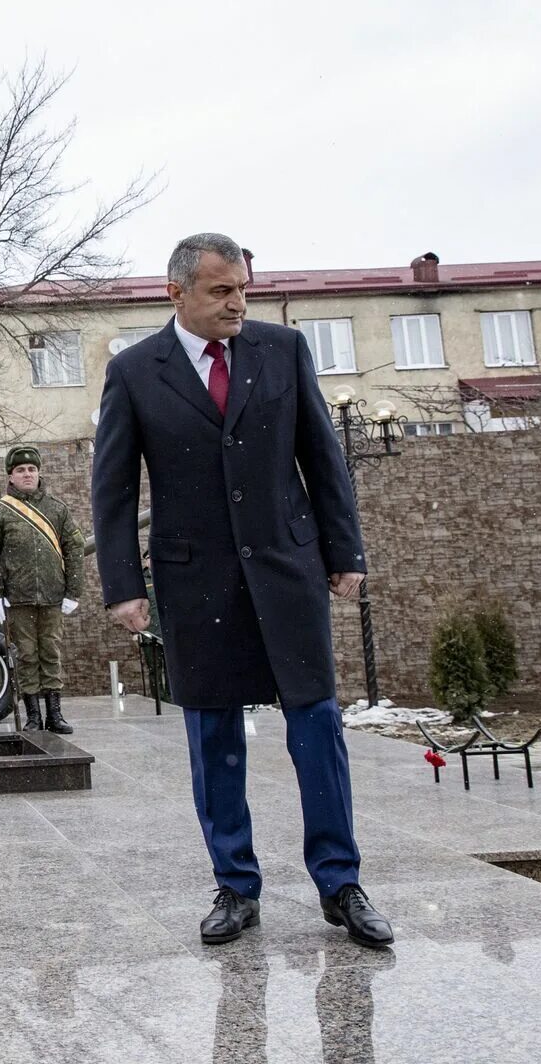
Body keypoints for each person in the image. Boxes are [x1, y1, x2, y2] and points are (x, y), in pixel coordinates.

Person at [92, 232, 393, 949]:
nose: (238, 302)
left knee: (316, 725)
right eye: (221, 290)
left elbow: (322, 456)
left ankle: (340, 883)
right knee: (215, 736)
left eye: (243, 288)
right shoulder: (136, 372)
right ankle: (235, 886)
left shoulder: (281, 351)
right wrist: (123, 586)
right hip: (196, 580)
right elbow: (110, 487)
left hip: (287, 571)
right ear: (177, 294)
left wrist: (343, 548)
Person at [0, 445, 84, 734]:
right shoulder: (0, 512)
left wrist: (74, 591)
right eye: (21, 470)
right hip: (18, 597)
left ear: (39, 473)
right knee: (26, 655)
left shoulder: (57, 509)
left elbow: (74, 549)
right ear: (10, 476)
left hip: (52, 596)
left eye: (32, 469)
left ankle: (55, 714)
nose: (27, 474)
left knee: (51, 652)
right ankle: (33, 715)